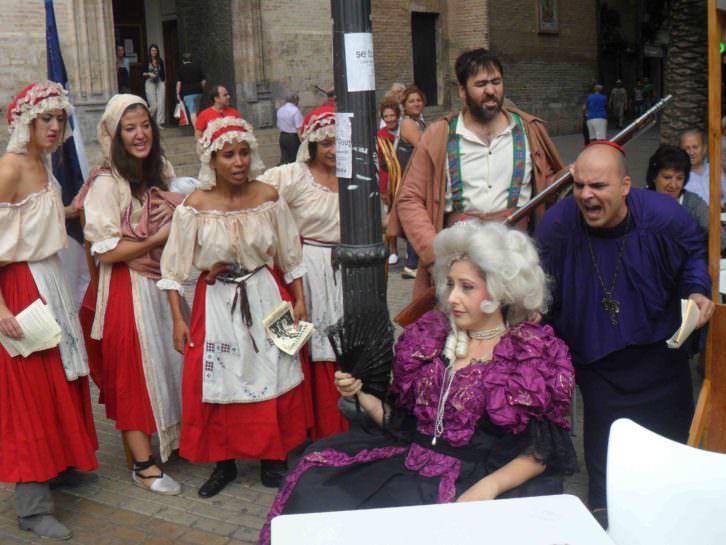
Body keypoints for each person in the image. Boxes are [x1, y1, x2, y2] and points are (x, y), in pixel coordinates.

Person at [257, 220, 577, 545]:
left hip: (477, 480)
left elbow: (544, 450)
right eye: (449, 284)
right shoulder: (432, 337)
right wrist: (362, 396)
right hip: (409, 465)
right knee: (314, 480)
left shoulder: (529, 354)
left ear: (501, 290)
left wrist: (489, 487)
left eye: (467, 287)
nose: (451, 297)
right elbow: (404, 425)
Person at [536, 142, 714, 525]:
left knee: (670, 455)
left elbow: (694, 253)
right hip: (598, 363)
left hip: (662, 358)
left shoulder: (665, 217)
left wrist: (698, 290)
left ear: (626, 185)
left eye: (598, 185)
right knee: (609, 459)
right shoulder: (557, 227)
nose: (586, 195)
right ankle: (608, 520)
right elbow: (539, 289)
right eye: (579, 185)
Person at [158, 116, 310, 497]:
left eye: (244, 153)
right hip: (218, 301)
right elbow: (173, 270)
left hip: (265, 292)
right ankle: (223, 462)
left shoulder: (268, 198)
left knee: (277, 368)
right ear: (212, 160)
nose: (239, 161)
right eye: (229, 155)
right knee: (218, 377)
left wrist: (301, 299)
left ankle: (273, 459)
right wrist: (178, 318)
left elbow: (290, 254)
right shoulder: (194, 207)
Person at [0, 82, 98, 540]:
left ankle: (59, 465)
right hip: (21, 287)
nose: (56, 127)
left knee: (61, 380)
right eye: (47, 119)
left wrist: (70, 210)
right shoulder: (10, 168)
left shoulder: (42, 164)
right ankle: (32, 507)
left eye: (61, 119)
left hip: (50, 279)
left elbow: (34, 220)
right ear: (27, 122)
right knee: (30, 396)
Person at [390, 48, 564, 300]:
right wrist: (434, 255)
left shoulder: (529, 131)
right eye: (481, 84)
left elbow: (550, 190)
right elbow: (409, 199)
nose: (491, 91)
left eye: (496, 82)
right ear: (462, 90)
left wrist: (576, 174)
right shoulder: (440, 135)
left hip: (516, 263)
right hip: (458, 265)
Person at [79, 94, 184, 496]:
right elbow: (106, 251)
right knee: (133, 372)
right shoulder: (107, 183)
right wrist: (159, 235)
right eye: (130, 128)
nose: (140, 135)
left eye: (145, 126)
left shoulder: (160, 171)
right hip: (125, 285)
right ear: (115, 135)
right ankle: (143, 465)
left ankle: (163, 441)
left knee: (169, 363)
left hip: (160, 282)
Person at [259, 105, 349, 440]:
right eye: (326, 142)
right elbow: (255, 198)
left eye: (339, 141)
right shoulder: (292, 175)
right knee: (302, 347)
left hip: (344, 270)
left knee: (341, 346)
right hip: (303, 269)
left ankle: (341, 424)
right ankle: (309, 428)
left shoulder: (353, 174)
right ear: (311, 143)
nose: (333, 150)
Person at [646, 144, 726, 253]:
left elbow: (720, 241)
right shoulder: (641, 203)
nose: (673, 185)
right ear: (654, 177)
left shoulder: (694, 204)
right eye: (667, 177)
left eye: (679, 178)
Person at [397, 85, 427, 279]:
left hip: (417, 177)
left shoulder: (418, 122)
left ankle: (414, 262)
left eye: (418, 100)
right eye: (411, 101)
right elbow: (424, 146)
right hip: (412, 180)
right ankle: (411, 263)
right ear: (404, 106)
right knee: (416, 217)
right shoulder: (408, 124)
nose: (416, 104)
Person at [377, 101, 402, 265]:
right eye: (386, 116)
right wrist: (383, 189)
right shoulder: (381, 135)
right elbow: (381, 162)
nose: (389, 119)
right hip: (389, 181)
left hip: (405, 177)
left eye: (392, 115)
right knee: (390, 216)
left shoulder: (405, 131)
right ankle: (393, 250)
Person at [679, 129, 726, 206]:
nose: (691, 152)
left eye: (695, 147)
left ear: (704, 148)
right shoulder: (678, 175)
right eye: (686, 149)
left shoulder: (716, 169)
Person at [176, 52, 206, 128]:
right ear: (192, 60)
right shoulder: (198, 67)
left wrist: (177, 94)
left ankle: (197, 131)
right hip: (198, 92)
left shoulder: (181, 68)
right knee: (196, 112)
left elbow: (179, 83)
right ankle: (200, 128)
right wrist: (201, 88)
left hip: (187, 93)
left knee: (192, 113)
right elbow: (204, 80)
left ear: (183, 60)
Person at [143, 44, 166, 127]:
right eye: (152, 50)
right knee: (154, 106)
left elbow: (163, 72)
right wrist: (149, 74)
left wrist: (163, 81)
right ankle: (144, 119)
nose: (154, 52)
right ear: (150, 51)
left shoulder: (160, 60)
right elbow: (142, 73)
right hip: (150, 81)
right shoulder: (146, 60)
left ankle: (159, 123)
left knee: (161, 103)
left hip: (159, 81)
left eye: (155, 50)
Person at [276, 93, 303, 164]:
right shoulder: (295, 110)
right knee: (294, 159)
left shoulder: (280, 110)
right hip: (293, 138)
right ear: (296, 101)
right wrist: (302, 141)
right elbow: (299, 128)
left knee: (285, 160)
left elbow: (278, 125)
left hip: (282, 136)